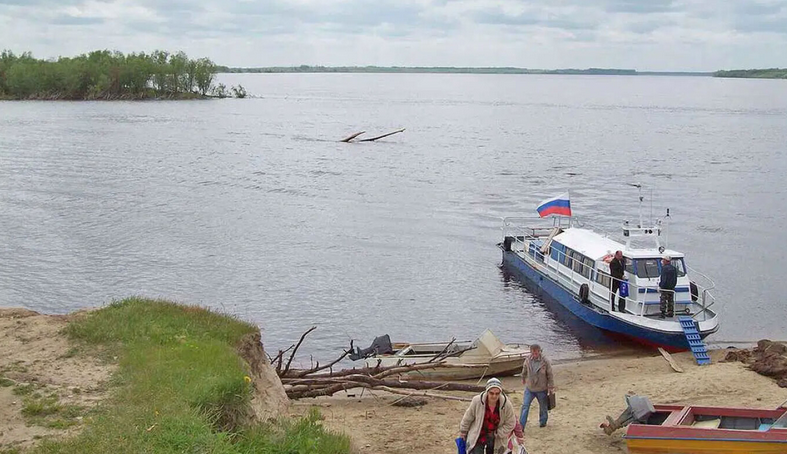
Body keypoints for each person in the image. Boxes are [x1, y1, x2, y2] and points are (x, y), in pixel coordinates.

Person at [459, 377, 516, 454]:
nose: (494, 396)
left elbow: (511, 423)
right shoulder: (477, 401)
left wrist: (498, 433)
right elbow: (468, 417)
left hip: (496, 438)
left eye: (497, 393)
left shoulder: (506, 404)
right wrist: (463, 431)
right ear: (487, 391)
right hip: (478, 434)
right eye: (491, 393)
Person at [519, 344, 554, 429]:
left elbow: (550, 374)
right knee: (525, 406)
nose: (534, 354)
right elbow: (524, 369)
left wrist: (551, 386)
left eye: (536, 352)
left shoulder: (545, 361)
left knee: (543, 407)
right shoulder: (527, 360)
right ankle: (521, 426)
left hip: (541, 389)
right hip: (530, 388)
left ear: (539, 351)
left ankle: (543, 422)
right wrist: (523, 377)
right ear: (531, 352)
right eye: (533, 352)